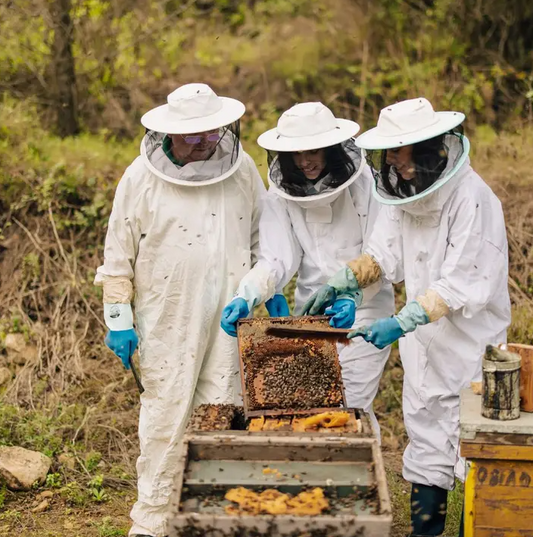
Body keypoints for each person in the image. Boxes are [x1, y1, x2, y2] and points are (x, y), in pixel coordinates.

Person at [302, 97, 511, 536]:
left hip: (472, 345)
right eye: (391, 155)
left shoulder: (473, 199)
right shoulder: (401, 196)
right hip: (424, 346)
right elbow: (382, 255)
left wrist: (400, 321)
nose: (396, 164)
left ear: (430, 147)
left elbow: (461, 283)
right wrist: (342, 282)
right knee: (427, 436)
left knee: (475, 446)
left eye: (401, 153)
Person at [94, 83, 265, 537]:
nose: (205, 141)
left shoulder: (243, 168)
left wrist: (267, 293)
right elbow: (117, 258)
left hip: (231, 318)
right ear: (170, 134)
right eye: (194, 134)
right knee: (166, 418)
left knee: (222, 411)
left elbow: (260, 241)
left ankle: (206, 518)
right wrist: (118, 318)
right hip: (166, 316)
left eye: (211, 131)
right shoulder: (139, 177)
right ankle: (153, 520)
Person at [220, 102, 395, 433]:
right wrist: (247, 294)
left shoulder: (365, 186)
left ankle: (357, 476)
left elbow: (382, 253)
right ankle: (327, 479)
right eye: (296, 154)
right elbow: (276, 257)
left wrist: (353, 296)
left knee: (350, 403)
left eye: (313, 150)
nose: (304, 161)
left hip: (367, 311)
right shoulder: (282, 191)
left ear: (331, 148)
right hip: (311, 312)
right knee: (314, 405)